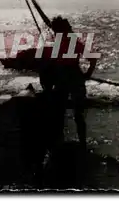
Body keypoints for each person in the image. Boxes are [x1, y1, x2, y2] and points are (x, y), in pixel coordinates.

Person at [43, 16, 97, 151]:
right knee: (66, 113)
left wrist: (87, 74)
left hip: (69, 79)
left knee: (73, 113)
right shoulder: (62, 41)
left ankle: (78, 143)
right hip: (67, 79)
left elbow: (92, 59)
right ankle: (73, 143)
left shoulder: (70, 42)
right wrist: (87, 74)